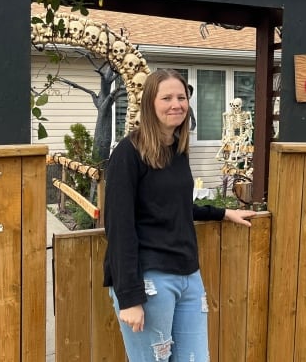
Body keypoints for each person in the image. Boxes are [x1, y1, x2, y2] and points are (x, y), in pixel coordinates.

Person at [103, 68, 255, 362]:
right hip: (150, 281)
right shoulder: (128, 153)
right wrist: (130, 297)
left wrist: (222, 213)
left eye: (181, 97)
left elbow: (176, 205)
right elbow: (119, 227)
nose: (177, 104)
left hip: (188, 276)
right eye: (167, 97)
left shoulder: (177, 149)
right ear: (150, 103)